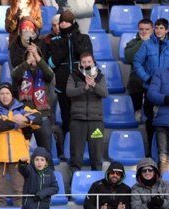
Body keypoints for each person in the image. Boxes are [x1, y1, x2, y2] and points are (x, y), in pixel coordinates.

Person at [0, 82, 42, 207]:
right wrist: (17, 123)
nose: (4, 96)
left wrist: (27, 119)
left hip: (19, 157)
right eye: (2, 93)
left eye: (7, 93)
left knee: (20, 192)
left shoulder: (22, 109)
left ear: (12, 95)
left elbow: (38, 118)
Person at [132, 18, 169, 157]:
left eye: (161, 28)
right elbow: (137, 62)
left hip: (166, 90)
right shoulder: (147, 44)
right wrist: (147, 77)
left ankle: (165, 153)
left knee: (165, 120)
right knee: (150, 119)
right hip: (150, 88)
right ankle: (150, 151)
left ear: (167, 30)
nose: (159, 30)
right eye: (157, 27)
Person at [47, 10, 92, 155]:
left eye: (66, 21)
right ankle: (68, 149)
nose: (63, 24)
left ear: (72, 23)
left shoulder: (83, 38)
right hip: (63, 86)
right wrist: (65, 45)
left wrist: (72, 41)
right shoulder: (55, 41)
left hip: (81, 86)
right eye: (61, 22)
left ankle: (84, 148)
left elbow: (87, 57)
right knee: (67, 118)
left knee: (81, 117)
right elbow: (52, 63)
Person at [11, 30, 55, 153]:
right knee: (22, 151)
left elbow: (50, 75)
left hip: (42, 115)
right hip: (24, 114)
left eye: (35, 56)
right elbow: (14, 75)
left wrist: (37, 56)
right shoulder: (22, 69)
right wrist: (28, 61)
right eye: (30, 56)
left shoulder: (44, 70)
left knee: (45, 151)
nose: (33, 59)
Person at [66, 51, 107, 172]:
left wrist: (94, 84)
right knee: (76, 157)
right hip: (78, 120)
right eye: (83, 62)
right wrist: (84, 88)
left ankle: (98, 187)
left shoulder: (100, 77)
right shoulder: (73, 76)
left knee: (97, 157)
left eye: (89, 61)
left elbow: (105, 93)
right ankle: (74, 186)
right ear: (80, 63)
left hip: (96, 121)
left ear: (93, 62)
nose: (86, 64)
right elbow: (69, 92)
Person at [123, 18, 153, 121]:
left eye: (147, 29)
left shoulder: (157, 43)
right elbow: (128, 57)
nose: (144, 31)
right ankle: (137, 116)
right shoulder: (133, 43)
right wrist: (143, 43)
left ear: (152, 30)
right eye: (141, 29)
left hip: (152, 82)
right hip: (136, 82)